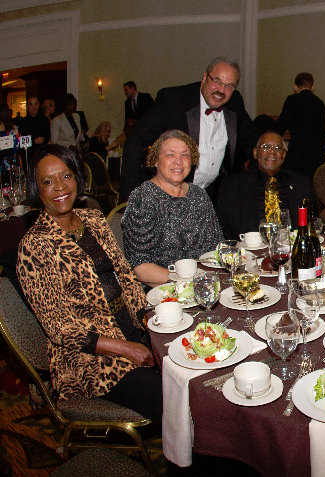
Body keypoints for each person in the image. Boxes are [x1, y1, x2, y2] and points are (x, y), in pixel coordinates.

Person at [16, 144, 162, 423]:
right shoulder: (34, 247)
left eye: (66, 176)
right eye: (48, 181)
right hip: (91, 358)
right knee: (172, 401)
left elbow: (126, 277)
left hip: (131, 328)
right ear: (37, 189)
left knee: (194, 371)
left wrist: (149, 320)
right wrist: (127, 348)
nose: (60, 187)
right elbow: (60, 329)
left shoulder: (93, 219)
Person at [119, 57, 258, 202]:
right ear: (205, 77)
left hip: (212, 196)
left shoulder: (235, 103)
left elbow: (253, 142)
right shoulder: (173, 101)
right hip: (168, 195)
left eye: (229, 86)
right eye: (217, 81)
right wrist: (131, 197)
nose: (221, 90)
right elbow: (135, 140)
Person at [123, 130, 223, 288]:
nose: (178, 161)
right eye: (170, 154)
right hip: (163, 291)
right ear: (155, 160)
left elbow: (217, 247)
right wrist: (187, 282)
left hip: (204, 284)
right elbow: (140, 267)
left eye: (185, 155)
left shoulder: (198, 194)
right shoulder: (143, 198)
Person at [216, 131, 313, 238]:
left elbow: (310, 223)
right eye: (266, 147)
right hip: (249, 250)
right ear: (255, 153)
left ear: (284, 155)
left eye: (277, 148)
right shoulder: (233, 185)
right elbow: (222, 227)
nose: (272, 152)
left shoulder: (301, 183)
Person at [276, 72, 325, 179]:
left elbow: (280, 127)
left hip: (297, 155)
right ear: (312, 86)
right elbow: (321, 132)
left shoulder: (292, 101)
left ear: (296, 87)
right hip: (317, 156)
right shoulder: (320, 104)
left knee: (296, 188)